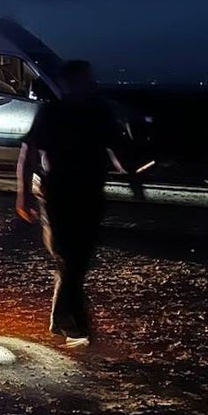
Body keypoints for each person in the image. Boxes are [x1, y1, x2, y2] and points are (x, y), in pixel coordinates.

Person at [16, 59, 142, 347]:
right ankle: (78, 326)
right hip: (58, 193)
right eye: (84, 79)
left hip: (89, 194)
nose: (90, 83)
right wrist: (23, 194)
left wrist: (131, 155)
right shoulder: (52, 113)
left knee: (75, 261)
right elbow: (28, 154)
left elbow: (120, 158)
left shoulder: (100, 113)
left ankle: (62, 320)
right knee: (68, 257)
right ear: (69, 83)